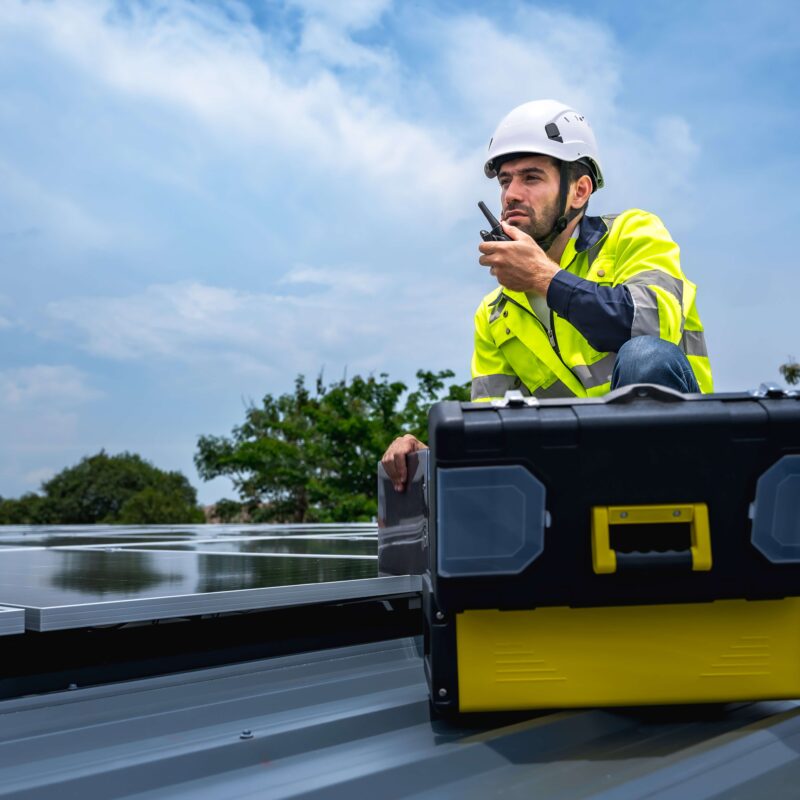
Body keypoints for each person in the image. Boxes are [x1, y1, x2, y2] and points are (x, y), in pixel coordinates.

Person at [382, 99, 712, 491]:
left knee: (646, 356)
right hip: (579, 481)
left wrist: (544, 278)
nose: (510, 195)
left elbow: (648, 327)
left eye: (531, 178)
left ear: (579, 190)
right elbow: (491, 435)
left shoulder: (634, 233)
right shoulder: (495, 316)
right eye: (505, 181)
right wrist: (432, 455)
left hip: (682, 465)